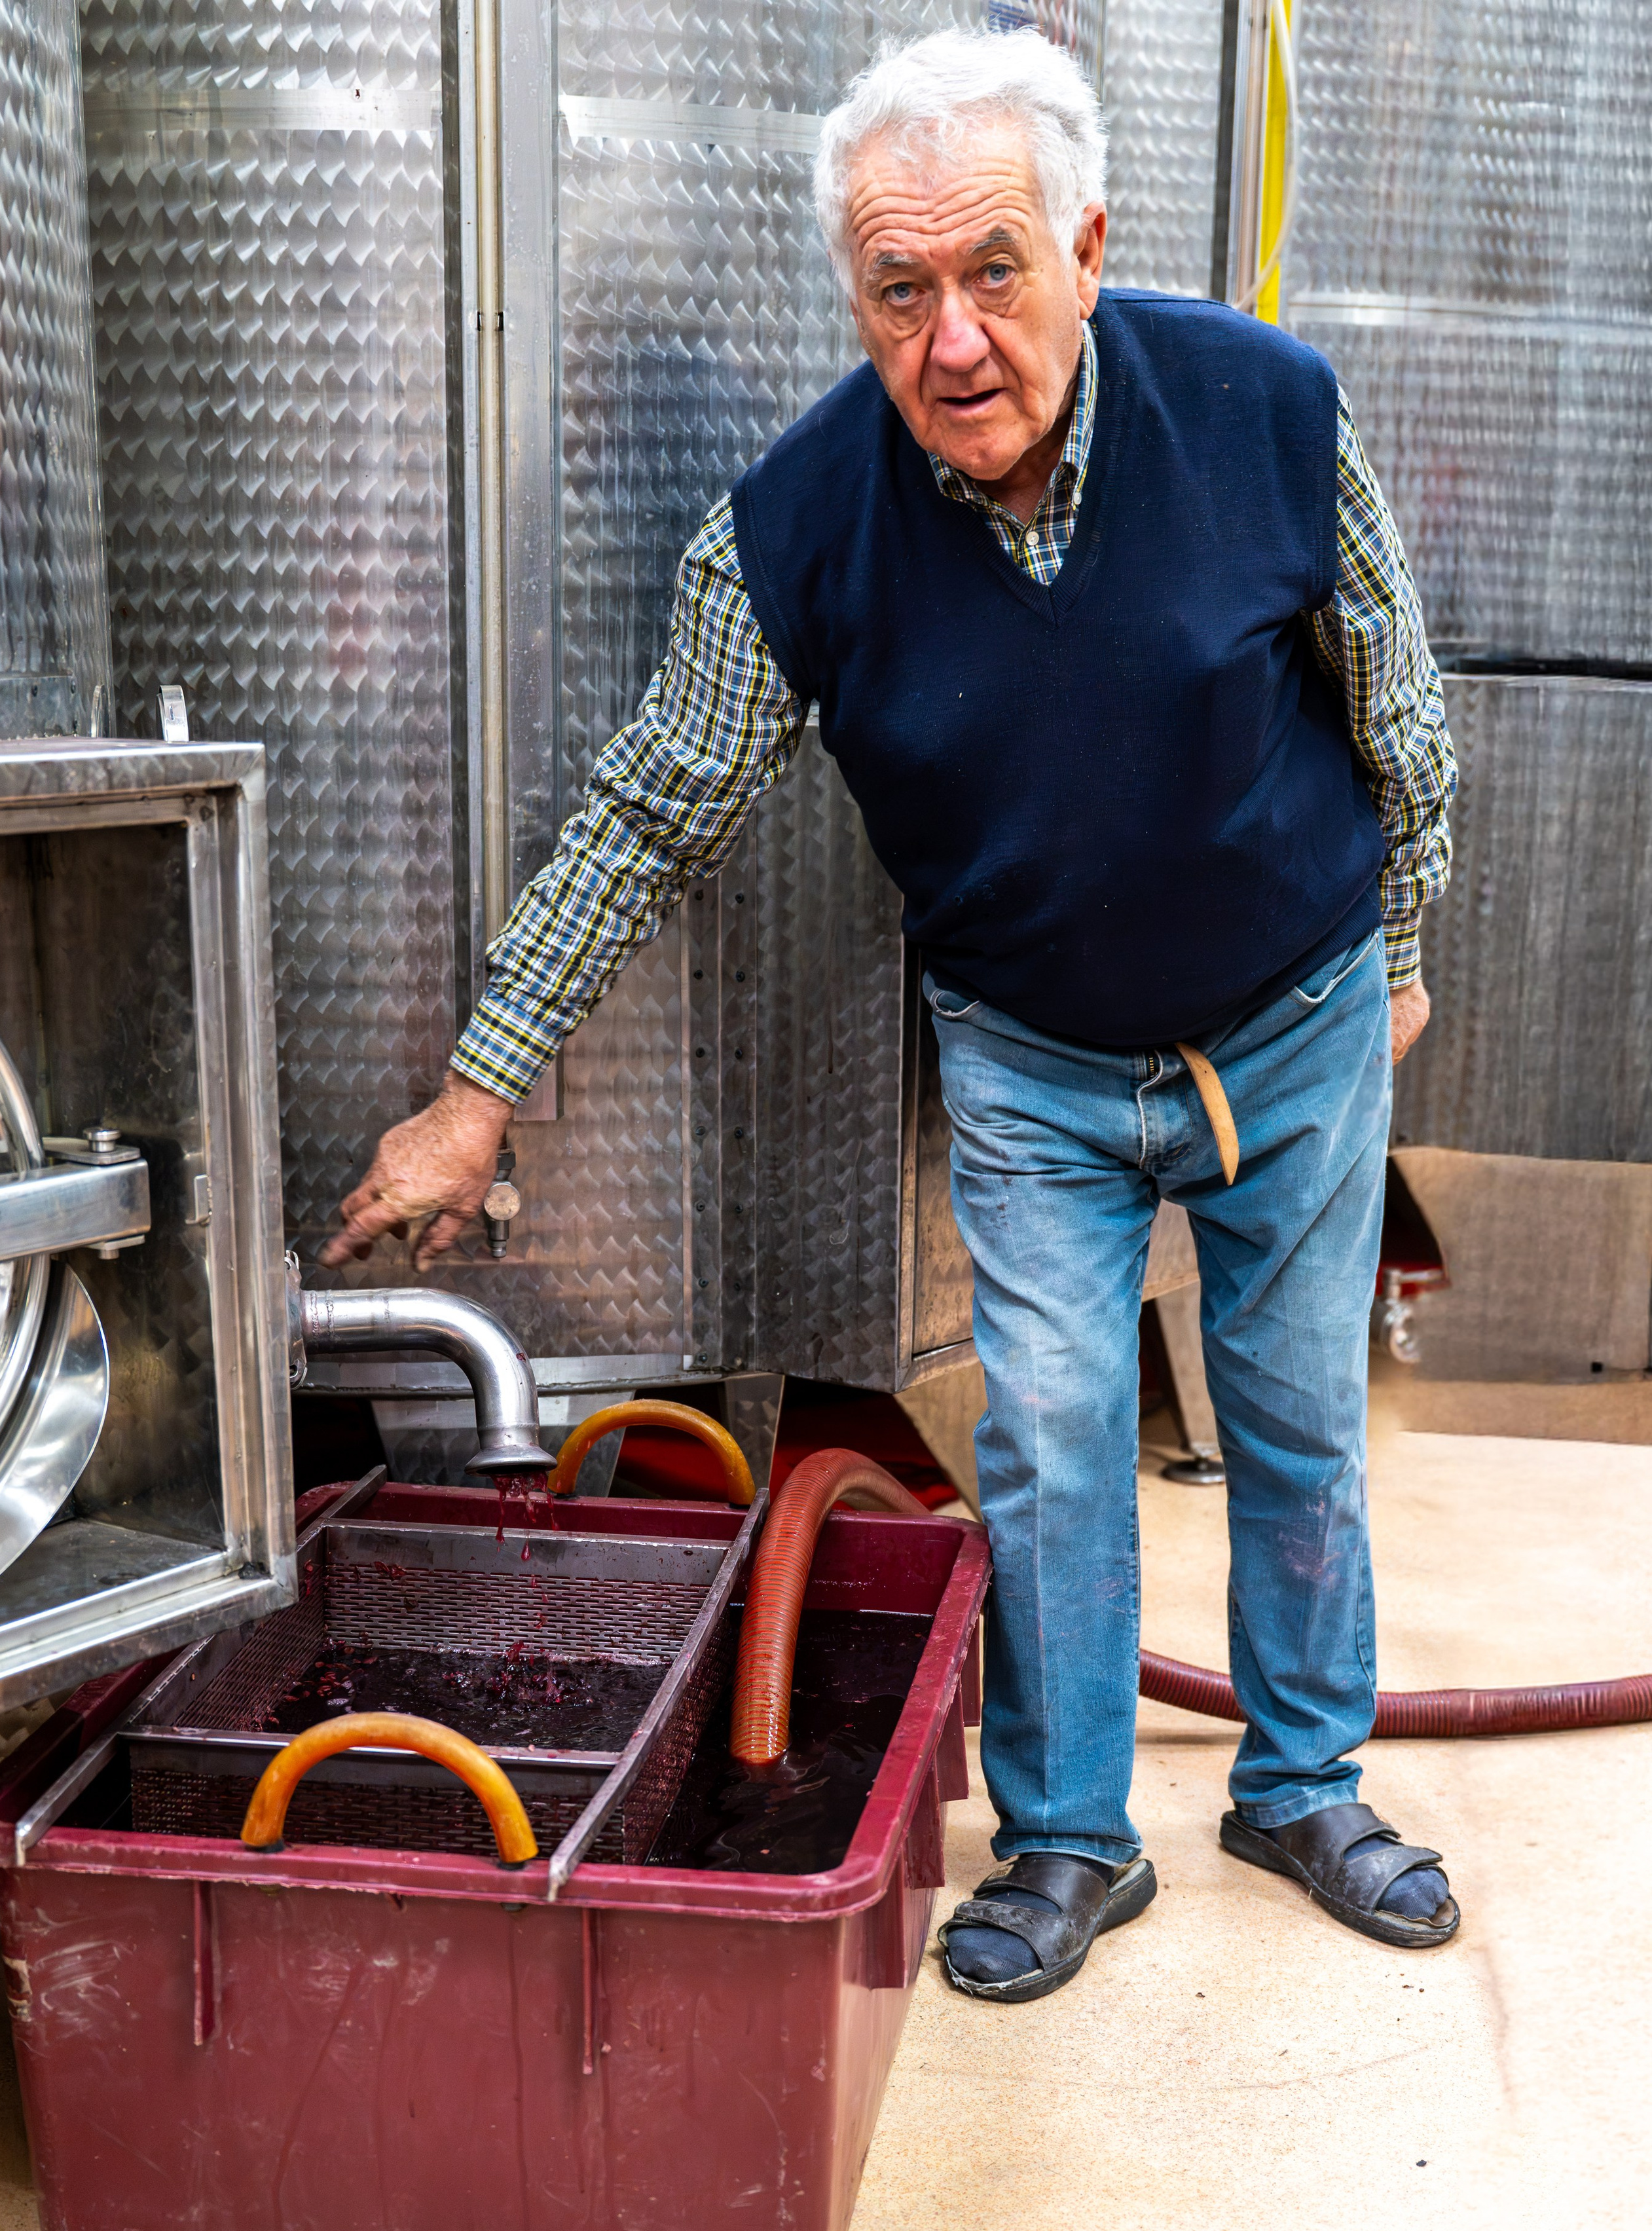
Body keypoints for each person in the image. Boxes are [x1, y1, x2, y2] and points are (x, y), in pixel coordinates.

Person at [324, 28, 1460, 1999]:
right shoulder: (797, 523)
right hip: (1029, 1060)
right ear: (855, 296)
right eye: (900, 290)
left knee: (1295, 1427)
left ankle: (1300, 1781)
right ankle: (1072, 1839)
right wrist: (477, 1090)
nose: (952, 342)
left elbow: (1404, 711)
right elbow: (655, 798)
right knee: (1051, 1434)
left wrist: (1410, 953)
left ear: (1088, 249)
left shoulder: (1269, 411)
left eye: (997, 272)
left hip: (1293, 1014)